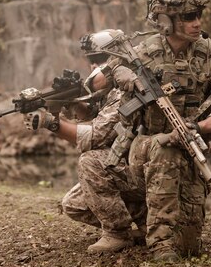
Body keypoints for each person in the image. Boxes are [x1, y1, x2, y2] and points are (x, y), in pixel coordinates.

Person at [99, 0, 211, 261]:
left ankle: (157, 232)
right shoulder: (143, 52)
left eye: (199, 15)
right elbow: (106, 75)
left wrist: (198, 126)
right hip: (144, 148)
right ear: (166, 20)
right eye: (189, 17)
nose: (197, 22)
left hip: (188, 146)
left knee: (189, 246)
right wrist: (124, 76)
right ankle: (159, 246)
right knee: (164, 147)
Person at [23, 29, 147, 253]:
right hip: (131, 167)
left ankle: (118, 233)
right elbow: (99, 122)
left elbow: (97, 136)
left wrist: (52, 123)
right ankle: (144, 222)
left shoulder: (127, 90)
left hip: (148, 172)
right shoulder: (111, 91)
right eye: (91, 61)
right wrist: (72, 103)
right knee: (74, 204)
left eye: (100, 59)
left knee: (90, 161)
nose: (94, 66)